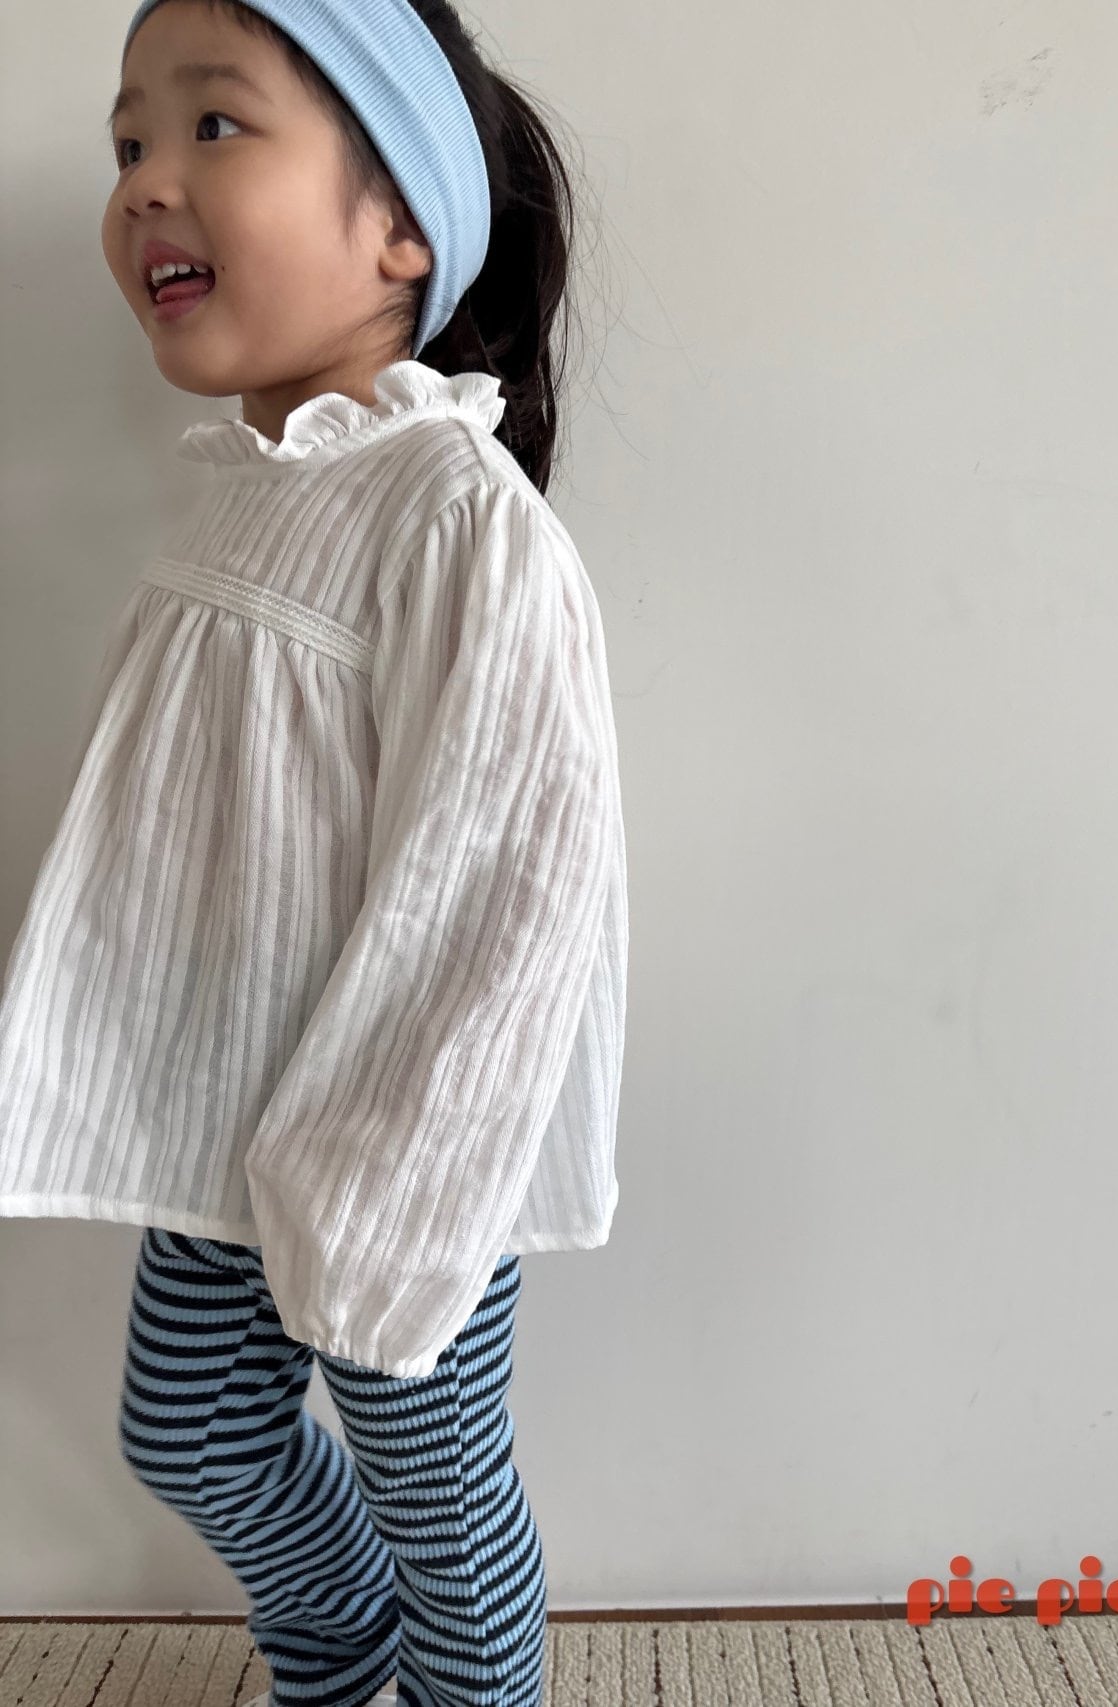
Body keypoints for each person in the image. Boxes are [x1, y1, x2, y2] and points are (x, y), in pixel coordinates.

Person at [0, 1, 628, 1704]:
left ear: (404, 223)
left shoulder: (456, 515)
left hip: (407, 1126)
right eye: (129, 141)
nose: (146, 181)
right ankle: (338, 1659)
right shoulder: (251, 491)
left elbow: (504, 887)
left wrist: (397, 1171)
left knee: (435, 1478)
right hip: (230, 1105)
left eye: (214, 126)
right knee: (190, 1430)